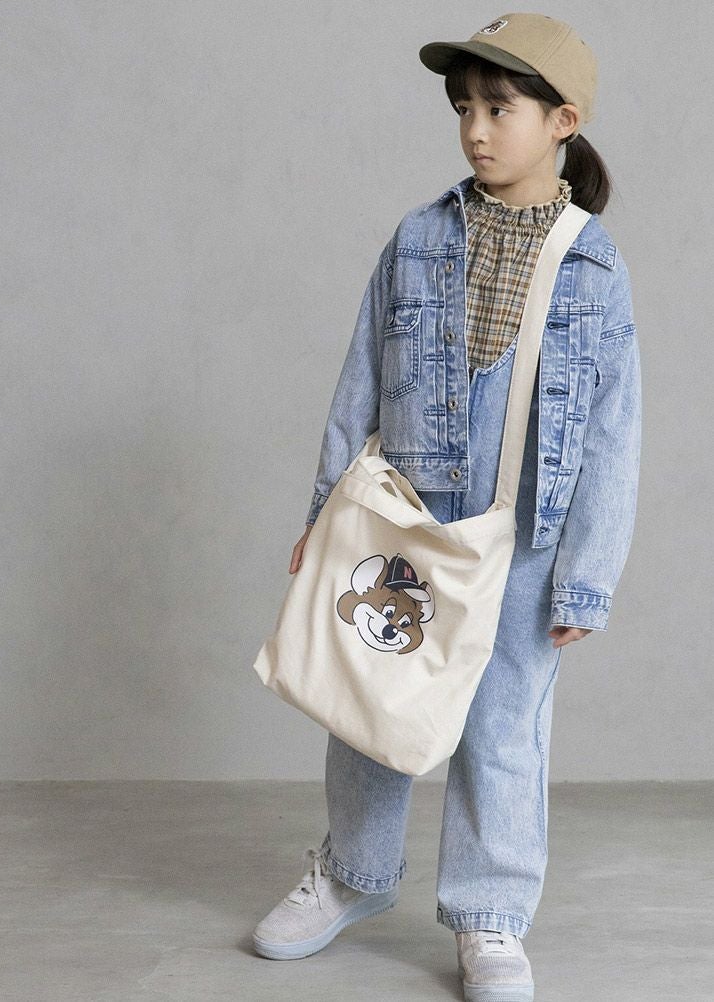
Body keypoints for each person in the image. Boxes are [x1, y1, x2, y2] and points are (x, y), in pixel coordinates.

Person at [251, 13, 641, 1002]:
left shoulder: (593, 265)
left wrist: (587, 576)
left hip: (528, 538)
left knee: (504, 728)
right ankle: (353, 872)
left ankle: (490, 915)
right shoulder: (419, 239)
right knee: (370, 700)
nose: (475, 129)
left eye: (499, 109)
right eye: (465, 107)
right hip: (407, 521)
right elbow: (359, 381)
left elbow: (612, 431)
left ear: (563, 121)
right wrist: (325, 513)